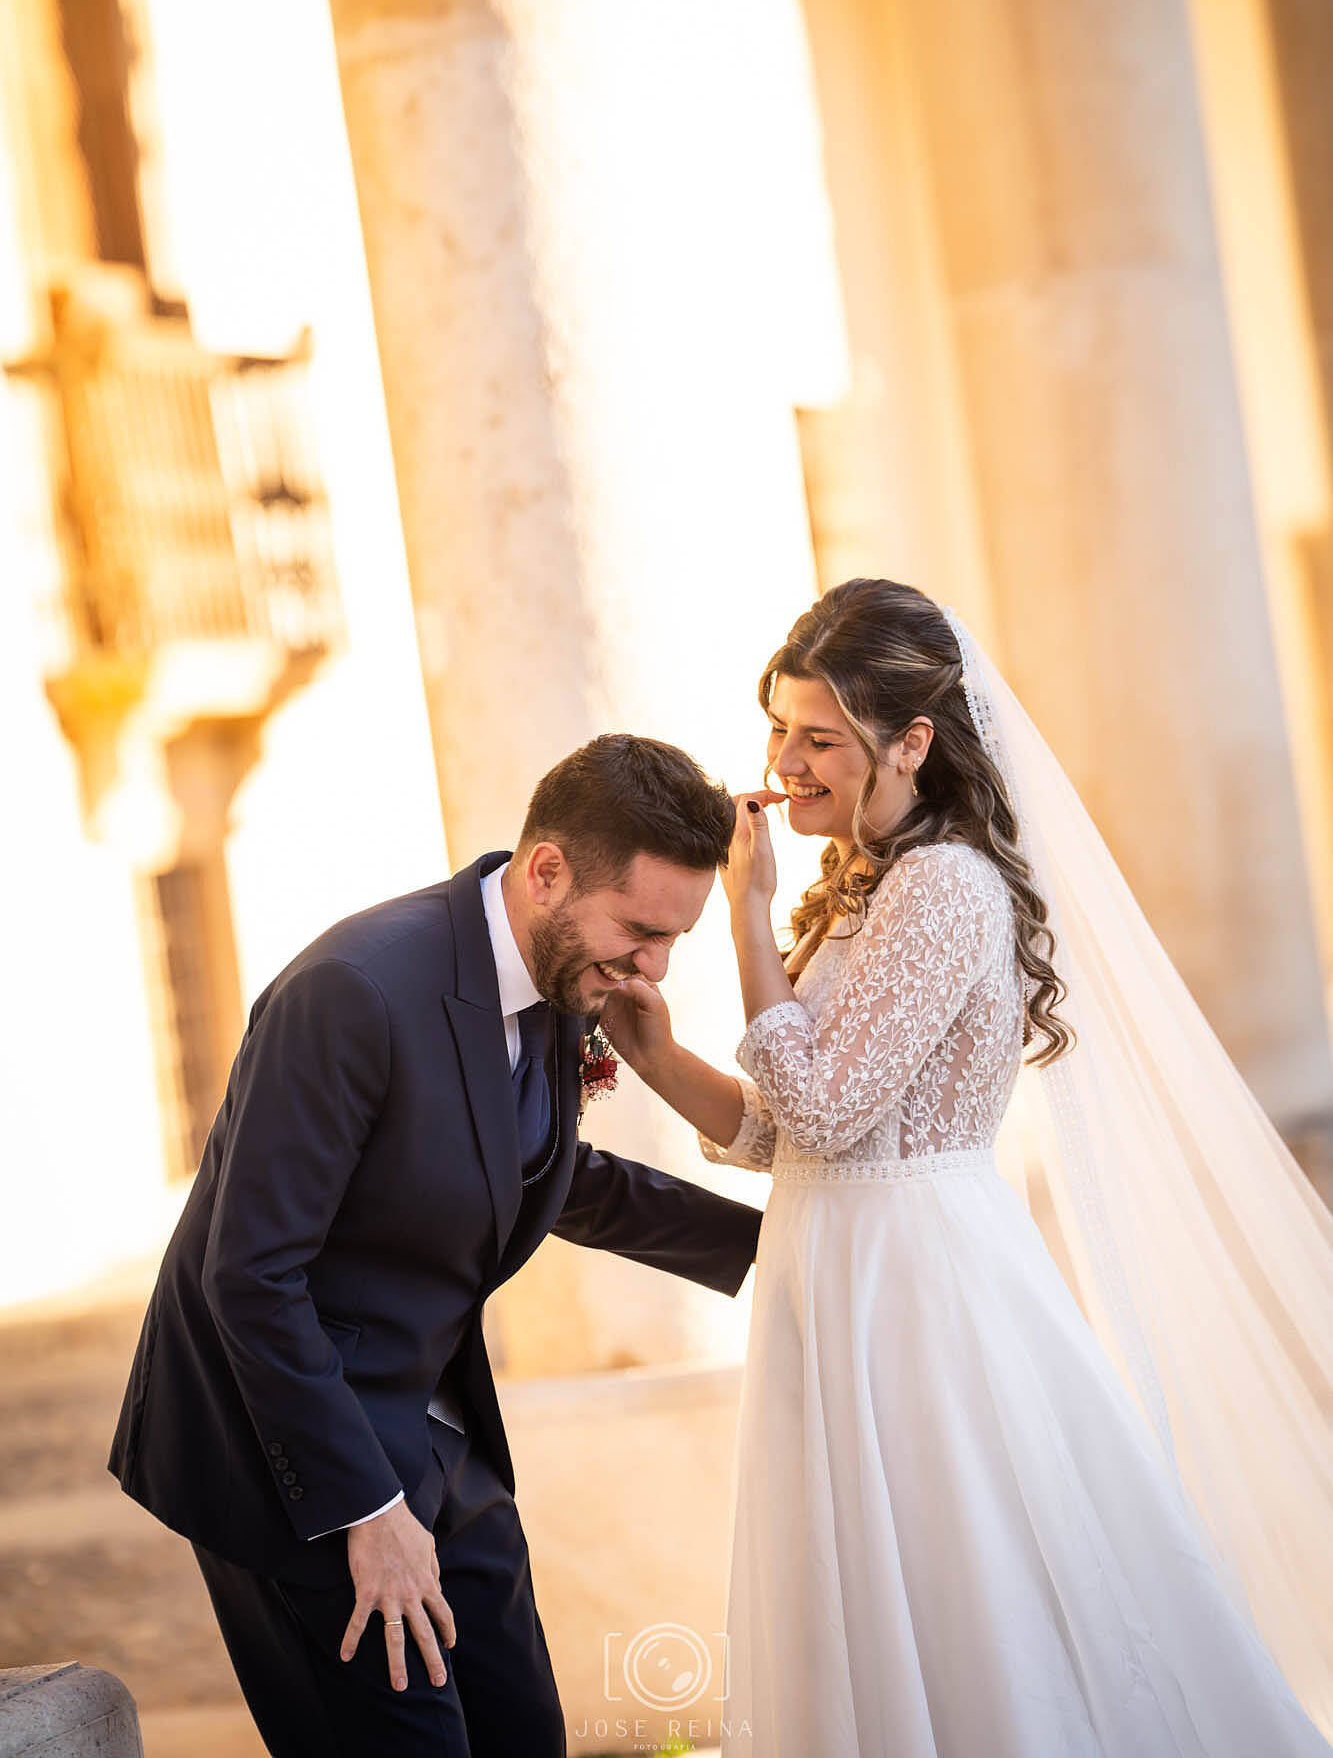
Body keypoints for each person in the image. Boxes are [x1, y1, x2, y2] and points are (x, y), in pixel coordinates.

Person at [602, 579, 1333, 1757]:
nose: (785, 761)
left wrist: (746, 914)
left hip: (913, 1289)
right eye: (779, 727)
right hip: (831, 1271)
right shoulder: (867, 882)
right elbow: (786, 1134)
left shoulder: (943, 886)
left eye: (820, 737)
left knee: (963, 1590)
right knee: (857, 1599)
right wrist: (655, 1054)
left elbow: (823, 1110)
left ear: (911, 741)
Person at [109, 734, 763, 1758]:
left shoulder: (556, 975)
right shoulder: (354, 991)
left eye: (672, 939)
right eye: (641, 931)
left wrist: (777, 1248)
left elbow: (537, 1172)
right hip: (292, 1448)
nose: (653, 968)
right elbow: (250, 1275)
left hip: (437, 1431)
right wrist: (365, 1509)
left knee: (525, 1734)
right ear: (545, 871)